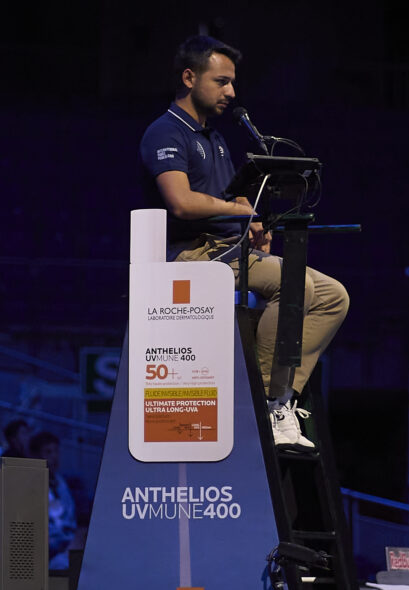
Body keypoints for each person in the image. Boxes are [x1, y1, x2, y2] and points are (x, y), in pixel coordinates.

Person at [140, 35, 349, 450]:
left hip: (228, 250)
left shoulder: (215, 139)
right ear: (189, 78)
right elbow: (181, 202)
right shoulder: (165, 132)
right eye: (221, 82)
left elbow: (226, 199)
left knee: (333, 296)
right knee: (295, 284)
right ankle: (267, 404)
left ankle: (284, 399)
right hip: (191, 255)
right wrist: (240, 213)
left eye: (232, 82)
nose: (232, 92)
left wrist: (248, 216)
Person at [29, 431, 77, 569]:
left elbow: (71, 519)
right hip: (46, 551)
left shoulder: (61, 483)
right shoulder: (29, 485)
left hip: (67, 545)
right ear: (36, 456)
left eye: (56, 451)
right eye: (48, 452)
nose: (54, 456)